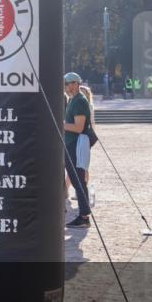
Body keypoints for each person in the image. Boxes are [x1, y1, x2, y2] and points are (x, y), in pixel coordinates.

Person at [64, 73, 93, 228]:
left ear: (76, 84)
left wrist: (60, 124)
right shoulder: (72, 100)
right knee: (76, 180)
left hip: (75, 145)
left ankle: (84, 216)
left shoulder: (79, 101)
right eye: (66, 83)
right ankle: (83, 214)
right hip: (70, 144)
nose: (66, 86)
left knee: (78, 180)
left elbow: (78, 127)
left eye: (69, 83)